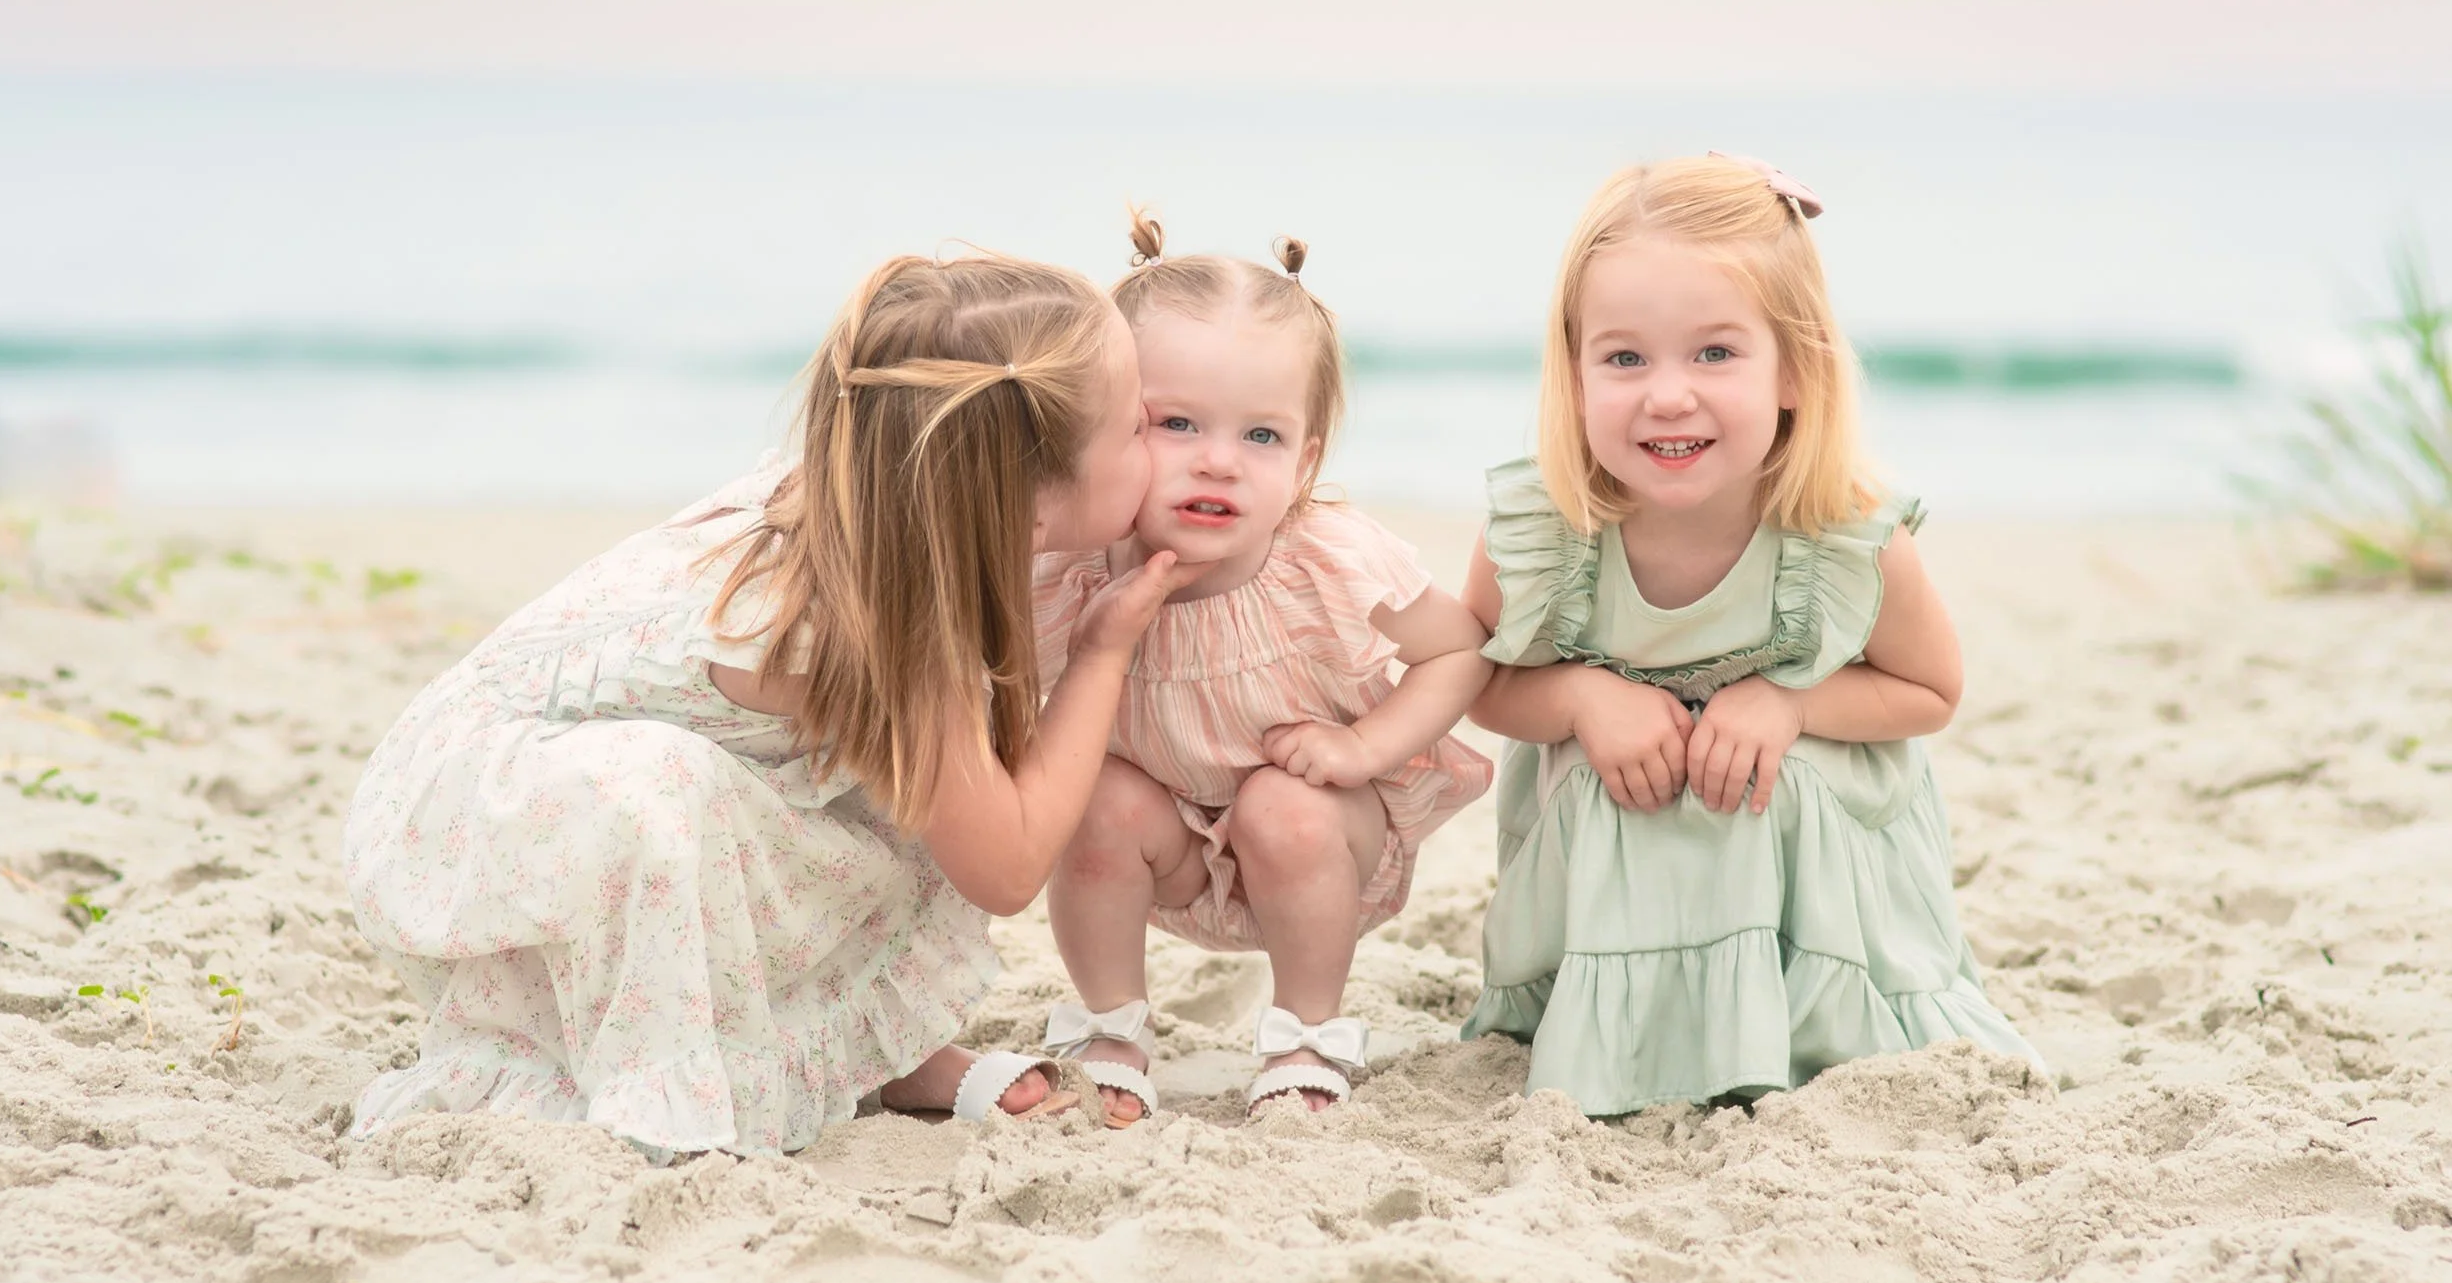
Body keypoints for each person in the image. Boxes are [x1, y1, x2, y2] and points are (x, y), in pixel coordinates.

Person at [343, 253, 1194, 1159]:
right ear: (1023, 512)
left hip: (592, 771)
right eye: (1137, 426)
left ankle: (872, 1057)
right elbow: (1009, 862)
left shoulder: (895, 497)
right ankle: (660, 1094)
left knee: (877, 818)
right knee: (723, 796)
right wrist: (1105, 649)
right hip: (479, 816)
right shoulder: (880, 627)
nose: (1158, 432)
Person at [1461, 153, 2041, 1114]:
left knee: (1769, 779)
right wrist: (1579, 695)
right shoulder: (1546, 529)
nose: (1668, 395)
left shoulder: (1844, 533)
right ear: (1573, 371)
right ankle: (1633, 1023)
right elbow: (1483, 681)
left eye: (1716, 354)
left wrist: (1790, 700)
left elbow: (1931, 691)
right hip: (1622, 817)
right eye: (1624, 357)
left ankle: (1789, 1022)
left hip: (1799, 834)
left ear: (1795, 371)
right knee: (1624, 783)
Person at [1033, 213, 1494, 1123]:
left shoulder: (1328, 561)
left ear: (1307, 458)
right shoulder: (1074, 566)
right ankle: (1111, 1025)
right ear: (1107, 427)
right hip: (1159, 845)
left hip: (1316, 839)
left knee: (1281, 805)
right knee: (1089, 794)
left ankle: (1305, 1032)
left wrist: (1365, 746)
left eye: (1262, 437)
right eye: (1176, 423)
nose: (1219, 460)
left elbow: (1460, 651)